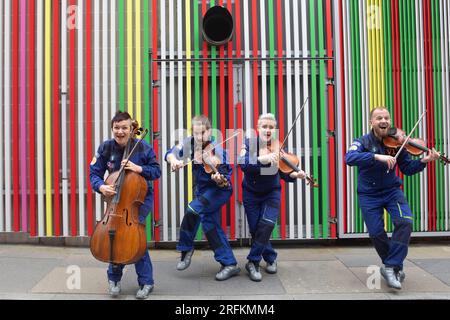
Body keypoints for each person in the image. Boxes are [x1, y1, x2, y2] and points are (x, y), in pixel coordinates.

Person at [345, 106, 440, 289]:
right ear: (371, 122)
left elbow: (407, 169)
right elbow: (349, 158)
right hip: (368, 194)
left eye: (386, 118)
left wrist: (424, 161)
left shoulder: (398, 142)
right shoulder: (362, 141)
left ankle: (390, 267)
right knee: (376, 233)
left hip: (391, 191)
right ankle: (395, 266)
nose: (383, 121)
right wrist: (376, 157)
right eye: (379, 118)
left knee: (405, 221)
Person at [90, 111, 161, 299]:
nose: (120, 131)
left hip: (140, 199)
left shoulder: (143, 147)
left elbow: (156, 171)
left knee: (133, 238)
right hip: (114, 201)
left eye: (124, 128)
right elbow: (94, 174)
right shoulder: (105, 147)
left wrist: (139, 169)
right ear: (112, 128)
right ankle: (114, 278)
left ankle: (146, 282)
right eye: (117, 128)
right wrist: (101, 186)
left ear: (131, 130)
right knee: (114, 236)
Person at [165, 115, 240, 281]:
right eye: (196, 133)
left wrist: (219, 178)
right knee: (210, 227)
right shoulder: (190, 142)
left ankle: (186, 249)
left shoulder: (219, 150)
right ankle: (229, 264)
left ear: (209, 131)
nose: (199, 137)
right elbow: (171, 153)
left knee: (192, 209)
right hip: (203, 192)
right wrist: (174, 161)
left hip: (219, 191)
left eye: (203, 133)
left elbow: (226, 180)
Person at [238, 113, 306, 282]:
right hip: (251, 193)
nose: (268, 130)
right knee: (255, 229)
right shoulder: (248, 144)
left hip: (271, 192)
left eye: (271, 127)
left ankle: (252, 262)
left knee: (267, 224)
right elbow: (243, 164)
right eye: (264, 126)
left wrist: (294, 176)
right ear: (258, 128)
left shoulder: (278, 146)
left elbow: (283, 172)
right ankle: (270, 257)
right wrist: (263, 158)